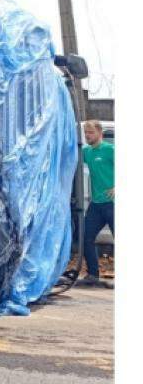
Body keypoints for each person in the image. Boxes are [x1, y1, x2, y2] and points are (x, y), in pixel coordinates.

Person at [80, 119, 114, 286]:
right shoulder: (86, 152)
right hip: (97, 204)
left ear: (100, 133)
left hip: (114, 204)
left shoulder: (110, 150)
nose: (87, 135)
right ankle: (93, 274)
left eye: (91, 132)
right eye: (86, 132)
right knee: (86, 236)